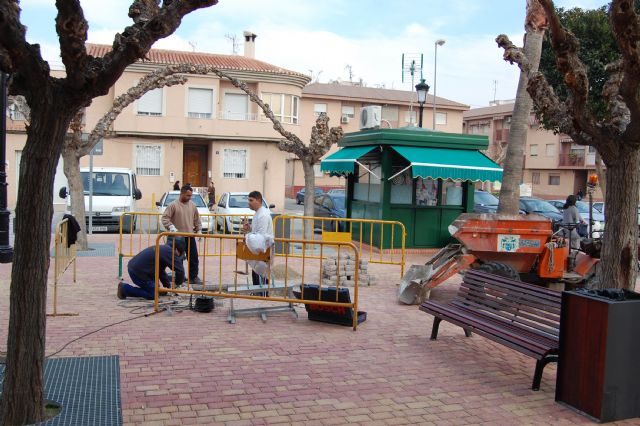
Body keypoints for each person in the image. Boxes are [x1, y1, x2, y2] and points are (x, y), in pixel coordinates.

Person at [117, 237, 186, 300]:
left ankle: (153, 289)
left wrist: (167, 287)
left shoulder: (165, 249)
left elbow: (161, 271)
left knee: (156, 289)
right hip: (138, 272)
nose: (177, 257)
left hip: (137, 269)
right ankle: (125, 289)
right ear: (176, 249)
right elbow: (180, 270)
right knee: (153, 294)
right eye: (179, 254)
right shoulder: (169, 252)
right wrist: (177, 284)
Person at [161, 184, 202, 284]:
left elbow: (197, 219)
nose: (190, 197)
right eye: (188, 195)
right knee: (177, 259)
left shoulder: (192, 205)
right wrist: (171, 226)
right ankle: (180, 278)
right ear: (182, 194)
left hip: (190, 236)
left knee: (193, 258)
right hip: (177, 238)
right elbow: (165, 218)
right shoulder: (173, 205)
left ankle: (193, 277)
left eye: (191, 195)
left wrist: (199, 229)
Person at [242, 190, 274, 287]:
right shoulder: (258, 213)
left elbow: (260, 237)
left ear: (259, 200)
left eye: (251, 200)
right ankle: (258, 293)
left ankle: (262, 294)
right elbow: (257, 232)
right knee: (256, 279)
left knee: (261, 281)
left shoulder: (263, 215)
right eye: (248, 200)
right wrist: (250, 229)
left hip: (263, 253)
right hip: (258, 254)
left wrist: (247, 237)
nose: (249, 203)